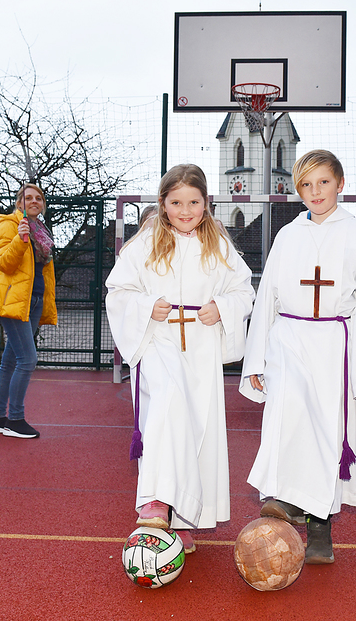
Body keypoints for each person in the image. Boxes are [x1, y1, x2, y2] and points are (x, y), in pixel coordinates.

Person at [240, 149, 356, 564]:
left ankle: (320, 526)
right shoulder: (288, 235)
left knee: (327, 430)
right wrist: (257, 358)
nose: (315, 191)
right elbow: (269, 298)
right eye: (306, 184)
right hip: (289, 339)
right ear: (297, 190)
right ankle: (284, 498)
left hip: (335, 344)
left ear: (341, 184)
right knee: (286, 418)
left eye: (324, 182)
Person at [105, 164, 254, 554]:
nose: (185, 211)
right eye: (176, 203)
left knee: (198, 427)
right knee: (168, 405)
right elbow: (118, 291)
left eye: (193, 202)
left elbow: (243, 290)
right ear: (163, 203)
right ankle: (156, 499)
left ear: (206, 204)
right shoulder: (144, 244)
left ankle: (186, 516)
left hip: (201, 345)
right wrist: (144, 305)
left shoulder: (219, 246)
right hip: (158, 340)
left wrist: (221, 307)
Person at [0, 183, 58, 439]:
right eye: (28, 197)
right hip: (13, 301)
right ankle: (14, 420)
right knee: (28, 360)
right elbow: (3, 263)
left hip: (34, 300)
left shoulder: (42, 231)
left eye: (39, 198)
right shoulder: (8, 224)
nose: (34, 201)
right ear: (19, 203)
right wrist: (19, 237)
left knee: (10, 361)